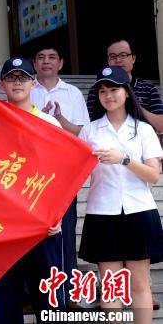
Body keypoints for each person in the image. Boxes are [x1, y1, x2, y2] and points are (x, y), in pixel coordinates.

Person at [78, 65, 163, 324]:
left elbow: (153, 175)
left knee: (139, 285)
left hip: (139, 211)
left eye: (113, 89)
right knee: (112, 285)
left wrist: (124, 159)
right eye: (102, 91)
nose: (108, 96)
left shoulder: (143, 130)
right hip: (103, 212)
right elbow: (77, 173)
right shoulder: (90, 131)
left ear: (126, 92)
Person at [0, 57, 65, 324]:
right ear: (1, 84)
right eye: (11, 78)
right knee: (5, 299)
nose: (17, 82)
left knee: (49, 300)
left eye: (23, 77)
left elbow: (62, 174)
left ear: (34, 83)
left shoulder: (49, 123)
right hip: (3, 224)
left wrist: (56, 215)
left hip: (41, 224)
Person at [30, 45, 90, 309]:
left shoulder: (73, 93)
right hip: (29, 173)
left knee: (64, 234)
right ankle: (31, 293)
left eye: (51, 57)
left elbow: (82, 134)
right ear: (34, 63)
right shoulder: (25, 87)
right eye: (41, 58)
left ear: (61, 63)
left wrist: (58, 118)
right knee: (31, 236)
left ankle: (68, 294)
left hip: (63, 173)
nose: (46, 62)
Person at [86, 38, 163, 132]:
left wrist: (133, 103)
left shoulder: (148, 89)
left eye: (123, 55)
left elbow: (161, 125)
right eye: (113, 56)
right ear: (108, 60)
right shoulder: (96, 90)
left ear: (133, 58)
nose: (118, 60)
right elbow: (89, 123)